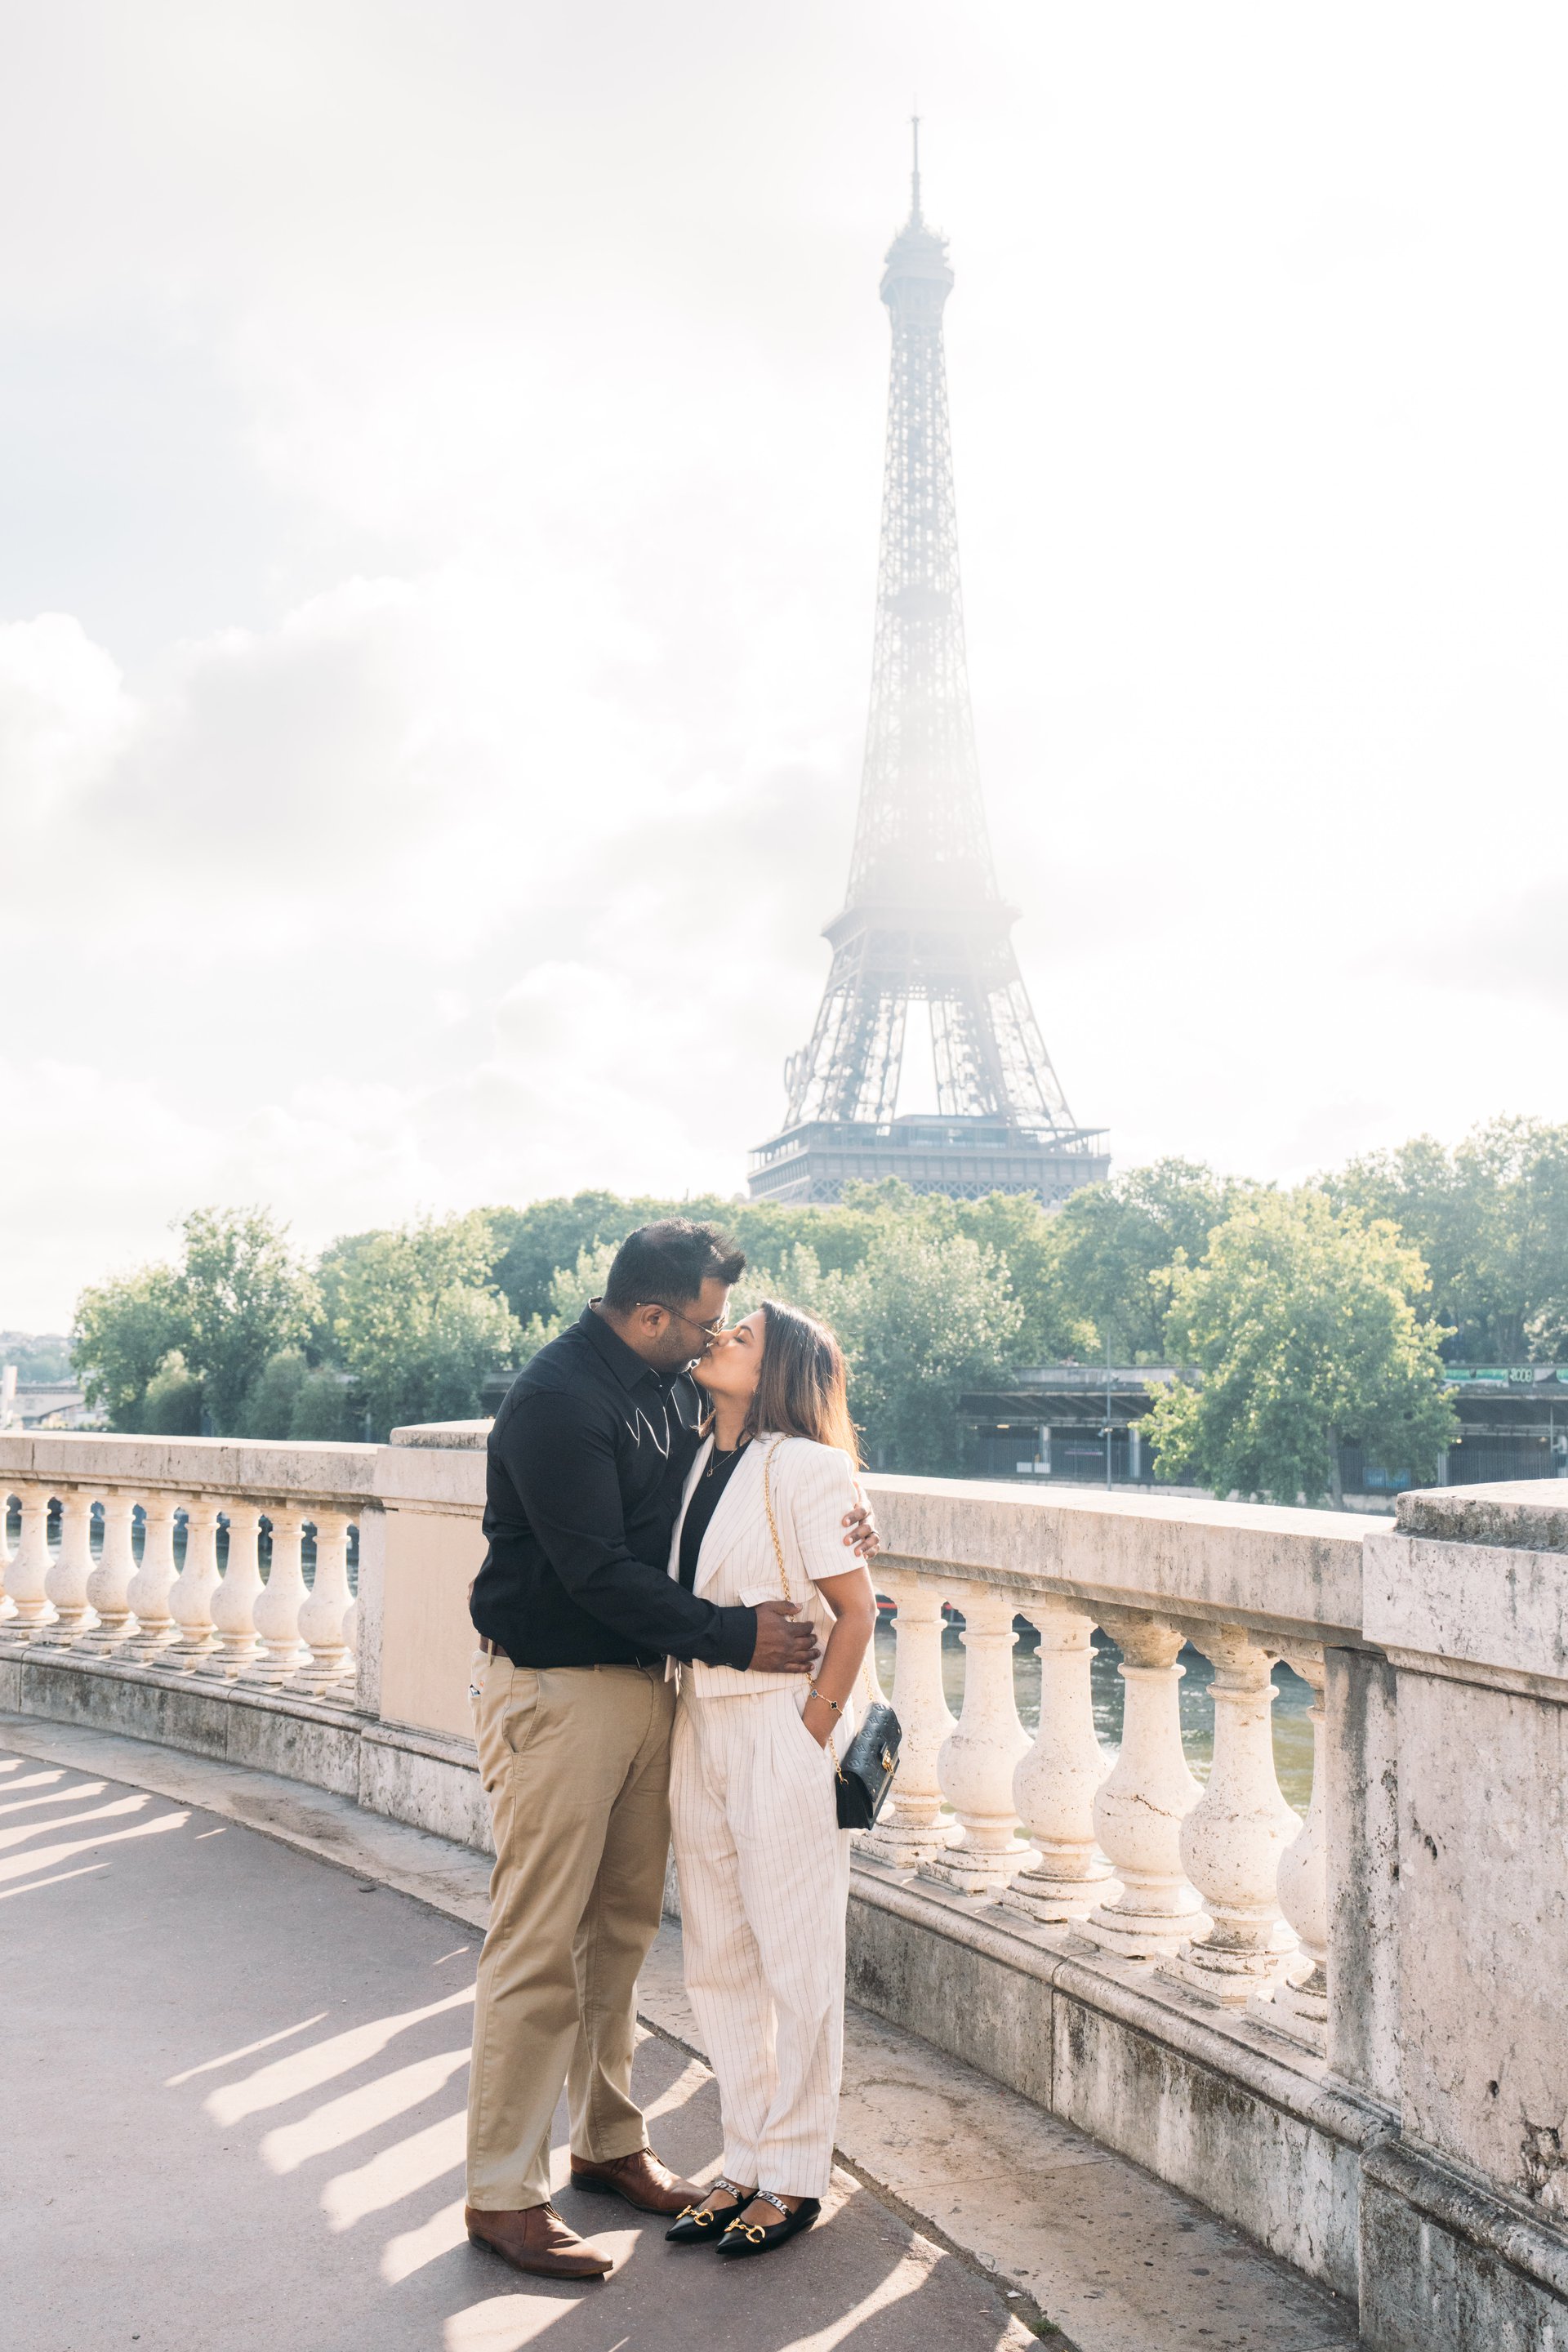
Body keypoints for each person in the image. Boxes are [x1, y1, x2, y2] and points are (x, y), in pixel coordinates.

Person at [463, 1222, 878, 2283]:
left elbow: (777, 1499)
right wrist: (736, 1637)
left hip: (660, 1699)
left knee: (622, 1937)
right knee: (539, 1942)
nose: (711, 1338)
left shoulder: (671, 1398)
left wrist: (845, 1515)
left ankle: (609, 2144)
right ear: (651, 1316)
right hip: (562, 1693)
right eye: (703, 1323)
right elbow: (600, 1571)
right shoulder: (559, 1400)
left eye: (727, 1329)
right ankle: (504, 2195)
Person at [662, 1298, 878, 2262]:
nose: (720, 1339)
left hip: (776, 1725)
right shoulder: (695, 1456)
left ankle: (793, 2172)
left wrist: (810, 1730)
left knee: (796, 1960)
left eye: (742, 1336)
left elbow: (856, 1611)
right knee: (717, 1956)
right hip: (698, 1720)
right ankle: (743, 2157)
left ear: (780, 1370)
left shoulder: (807, 1466)